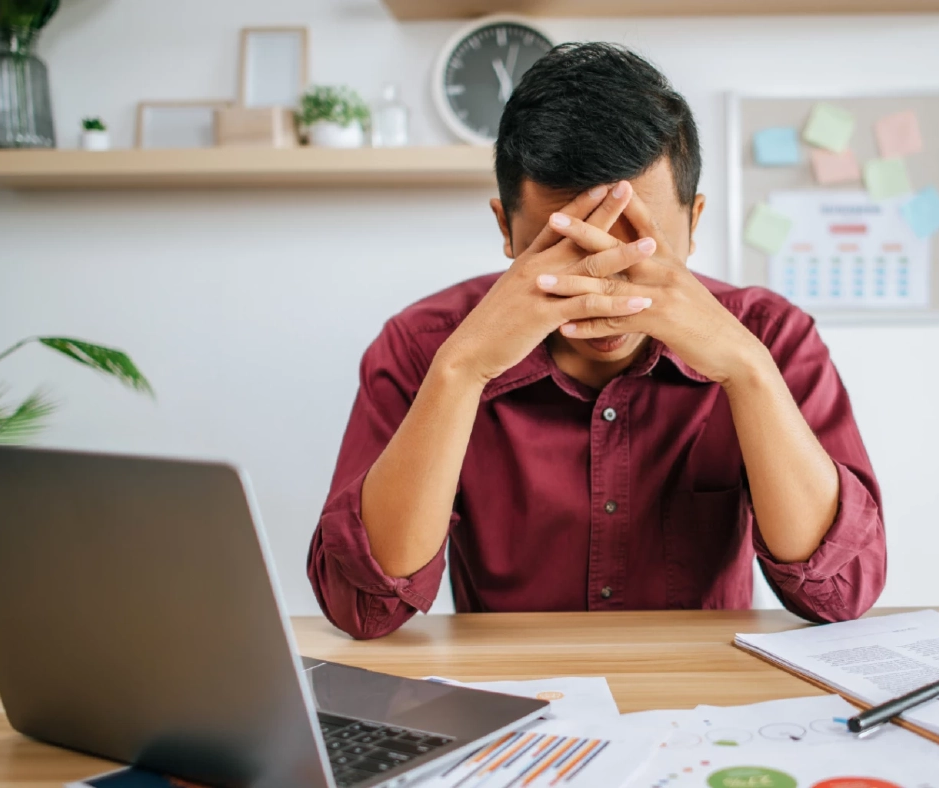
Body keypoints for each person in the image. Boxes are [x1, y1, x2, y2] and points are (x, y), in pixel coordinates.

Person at [308, 43, 885, 640]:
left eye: (641, 246)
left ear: (694, 224)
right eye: (567, 252)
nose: (603, 292)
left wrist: (746, 371)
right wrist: (461, 371)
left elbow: (841, 593)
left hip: (701, 705)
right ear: (507, 230)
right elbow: (365, 607)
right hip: (513, 699)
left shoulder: (771, 337)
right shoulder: (421, 347)